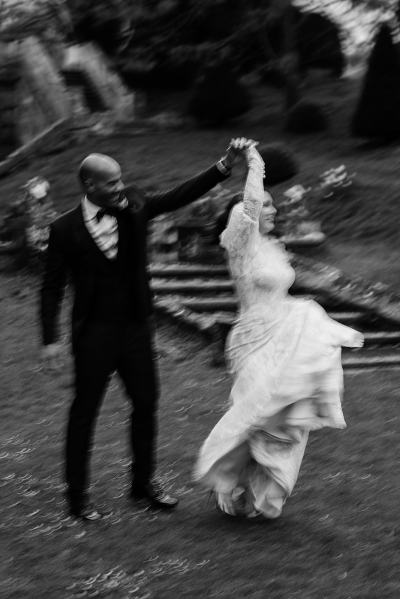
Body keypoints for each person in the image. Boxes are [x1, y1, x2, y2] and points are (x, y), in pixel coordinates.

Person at [40, 139, 253, 521]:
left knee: (146, 405)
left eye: (121, 180)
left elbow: (178, 195)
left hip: (136, 329)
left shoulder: (136, 205)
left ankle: (142, 487)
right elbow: (52, 287)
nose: (120, 187)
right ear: (89, 185)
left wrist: (223, 166)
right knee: (84, 413)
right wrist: (50, 340)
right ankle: (77, 498)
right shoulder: (64, 229)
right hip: (93, 335)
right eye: (111, 183)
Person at [194, 145, 364, 519]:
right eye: (267, 205)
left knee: (284, 419)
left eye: (274, 206)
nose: (273, 210)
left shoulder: (274, 247)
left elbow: (281, 289)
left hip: (285, 333)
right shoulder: (239, 244)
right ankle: (227, 481)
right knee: (254, 412)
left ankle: (259, 496)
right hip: (251, 341)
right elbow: (250, 205)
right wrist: (254, 162)